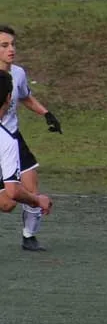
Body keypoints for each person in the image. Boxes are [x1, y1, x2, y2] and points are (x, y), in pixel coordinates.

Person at [0, 25, 62, 251]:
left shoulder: (18, 73)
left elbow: (25, 97)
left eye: (13, 44)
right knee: (8, 204)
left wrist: (46, 114)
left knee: (31, 186)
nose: (11, 49)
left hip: (12, 139)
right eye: (4, 45)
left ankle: (29, 236)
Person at [0, 70, 53, 219]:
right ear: (9, 98)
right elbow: (13, 191)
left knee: (7, 203)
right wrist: (38, 200)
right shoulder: (7, 141)